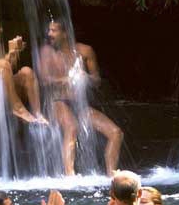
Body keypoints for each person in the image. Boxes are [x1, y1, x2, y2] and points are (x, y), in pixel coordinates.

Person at [39, 19, 123, 176]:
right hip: (58, 101)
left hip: (81, 104)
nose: (49, 34)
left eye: (54, 30)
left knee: (116, 132)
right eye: (49, 30)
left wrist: (85, 77)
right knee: (72, 126)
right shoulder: (47, 52)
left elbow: (97, 80)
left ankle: (112, 176)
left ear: (65, 33)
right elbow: (44, 81)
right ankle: (69, 175)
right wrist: (66, 79)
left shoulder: (85, 51)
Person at [0, 15, 48, 124]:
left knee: (26, 72)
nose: (0, 30)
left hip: (2, 92)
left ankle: (38, 115)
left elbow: (8, 70)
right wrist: (10, 53)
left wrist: (15, 52)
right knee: (2, 64)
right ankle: (18, 109)